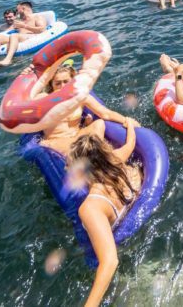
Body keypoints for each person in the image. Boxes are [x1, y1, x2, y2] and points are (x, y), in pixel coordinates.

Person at [67, 130, 142, 307]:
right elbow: (130, 143)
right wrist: (129, 124)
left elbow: (110, 261)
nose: (66, 169)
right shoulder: (119, 164)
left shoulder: (91, 207)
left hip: (123, 254)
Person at [37, 64, 139, 154]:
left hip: (78, 136)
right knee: (78, 149)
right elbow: (25, 100)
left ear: (72, 81)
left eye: (66, 82)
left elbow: (105, 113)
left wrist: (126, 120)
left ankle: (101, 156)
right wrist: (28, 73)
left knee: (99, 124)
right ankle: (100, 157)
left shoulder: (80, 97)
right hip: (57, 141)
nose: (62, 86)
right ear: (51, 85)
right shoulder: (44, 98)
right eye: (57, 83)